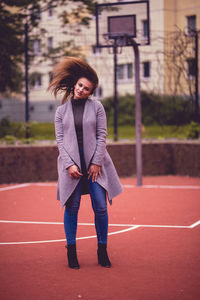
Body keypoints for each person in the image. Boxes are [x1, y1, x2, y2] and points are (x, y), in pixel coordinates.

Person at [48, 57, 122, 269]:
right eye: (80, 85)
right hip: (71, 166)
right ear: (75, 85)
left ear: (91, 92)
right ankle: (71, 252)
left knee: (100, 206)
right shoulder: (60, 112)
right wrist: (69, 165)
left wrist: (97, 162)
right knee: (72, 207)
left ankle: (102, 250)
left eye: (86, 88)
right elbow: (60, 141)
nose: (82, 90)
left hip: (94, 165)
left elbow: (102, 134)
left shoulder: (97, 108)